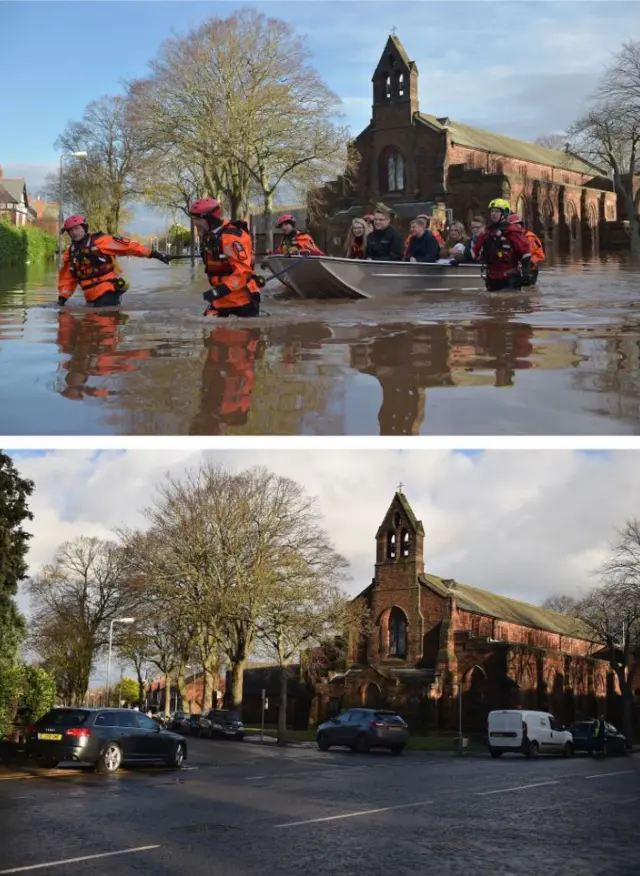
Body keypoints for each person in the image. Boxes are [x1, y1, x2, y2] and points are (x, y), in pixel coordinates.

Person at [57, 214, 171, 308]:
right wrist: (62, 299)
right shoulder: (70, 253)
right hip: (90, 297)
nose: (74, 232)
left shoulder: (100, 241)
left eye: (77, 228)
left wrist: (155, 254)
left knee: (104, 328)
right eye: (71, 230)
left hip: (108, 291)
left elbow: (129, 247)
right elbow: (67, 278)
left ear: (84, 228)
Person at [189, 198, 261, 318]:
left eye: (198, 220)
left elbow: (243, 273)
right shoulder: (210, 236)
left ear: (210, 218)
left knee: (245, 334)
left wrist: (219, 291)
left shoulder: (231, 237)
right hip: (220, 300)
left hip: (241, 301)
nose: (195, 224)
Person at [472, 198, 533, 291]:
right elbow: (474, 251)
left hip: (509, 279)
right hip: (492, 279)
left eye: (497, 211)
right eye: (492, 211)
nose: (493, 214)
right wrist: (460, 256)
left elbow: (525, 252)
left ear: (504, 213)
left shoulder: (512, 232)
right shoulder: (487, 233)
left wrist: (526, 273)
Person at [508, 214, 545, 285]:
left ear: (520, 225)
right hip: (515, 270)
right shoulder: (510, 237)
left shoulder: (530, 237)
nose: (514, 227)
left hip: (530, 270)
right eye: (512, 225)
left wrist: (528, 264)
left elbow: (539, 255)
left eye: (516, 225)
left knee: (528, 289)